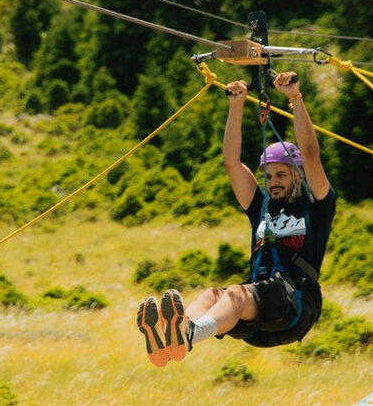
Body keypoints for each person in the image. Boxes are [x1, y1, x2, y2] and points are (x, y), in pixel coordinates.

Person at [136, 70, 336, 366]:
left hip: (295, 305)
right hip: (258, 318)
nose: (274, 182)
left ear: (298, 174)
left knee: (235, 294)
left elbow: (310, 152)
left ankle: (188, 334)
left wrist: (295, 98)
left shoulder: (316, 204)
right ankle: (170, 341)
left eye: (281, 174)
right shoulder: (260, 206)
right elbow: (231, 162)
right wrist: (236, 106)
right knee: (211, 295)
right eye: (268, 176)